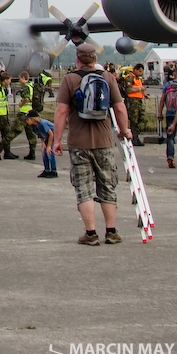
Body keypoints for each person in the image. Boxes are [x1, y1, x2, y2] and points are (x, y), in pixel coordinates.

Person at [51, 44, 131, 246]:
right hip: (104, 141)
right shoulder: (108, 77)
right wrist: (124, 130)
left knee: (84, 189)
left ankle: (91, 233)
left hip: (79, 142)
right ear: (95, 58)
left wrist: (58, 139)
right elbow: (120, 107)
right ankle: (111, 231)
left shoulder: (70, 79)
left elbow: (61, 112)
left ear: (78, 59)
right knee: (107, 186)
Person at [27, 111, 57, 178]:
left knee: (50, 152)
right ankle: (46, 170)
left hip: (54, 135)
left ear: (33, 119)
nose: (27, 121)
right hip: (46, 137)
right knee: (44, 152)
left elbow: (51, 134)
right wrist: (43, 144)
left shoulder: (42, 123)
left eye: (28, 119)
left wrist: (49, 146)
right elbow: (40, 134)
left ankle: (53, 171)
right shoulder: (33, 126)